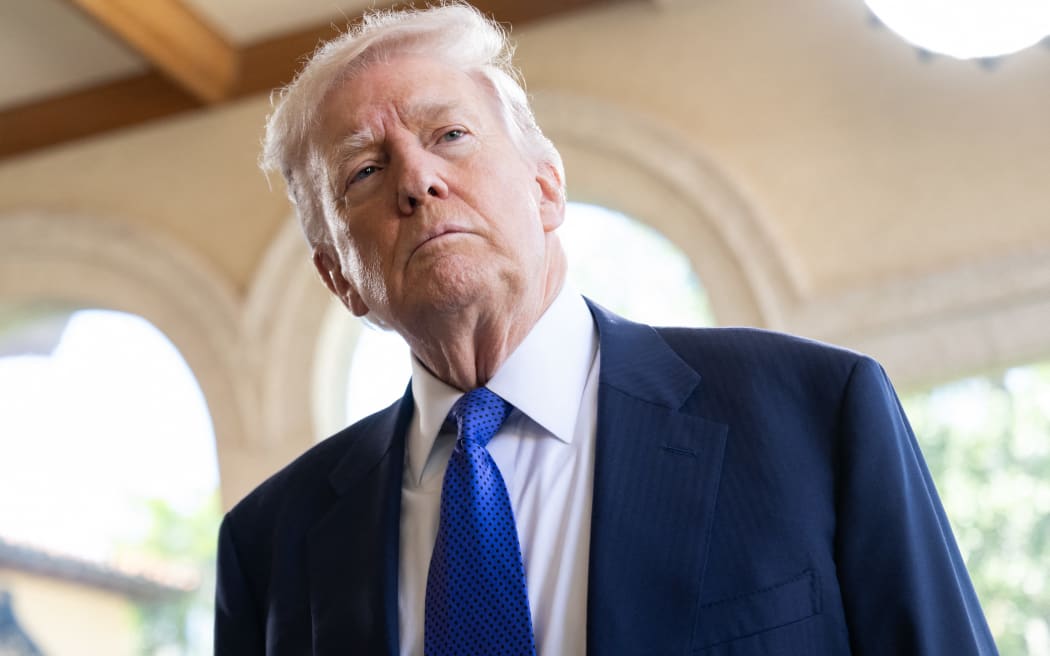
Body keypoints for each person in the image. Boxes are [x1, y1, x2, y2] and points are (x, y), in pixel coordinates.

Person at [214, 4, 998, 654]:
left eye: (450, 135)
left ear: (547, 187)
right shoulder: (268, 546)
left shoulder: (815, 410)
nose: (417, 178)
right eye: (364, 171)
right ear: (339, 278)